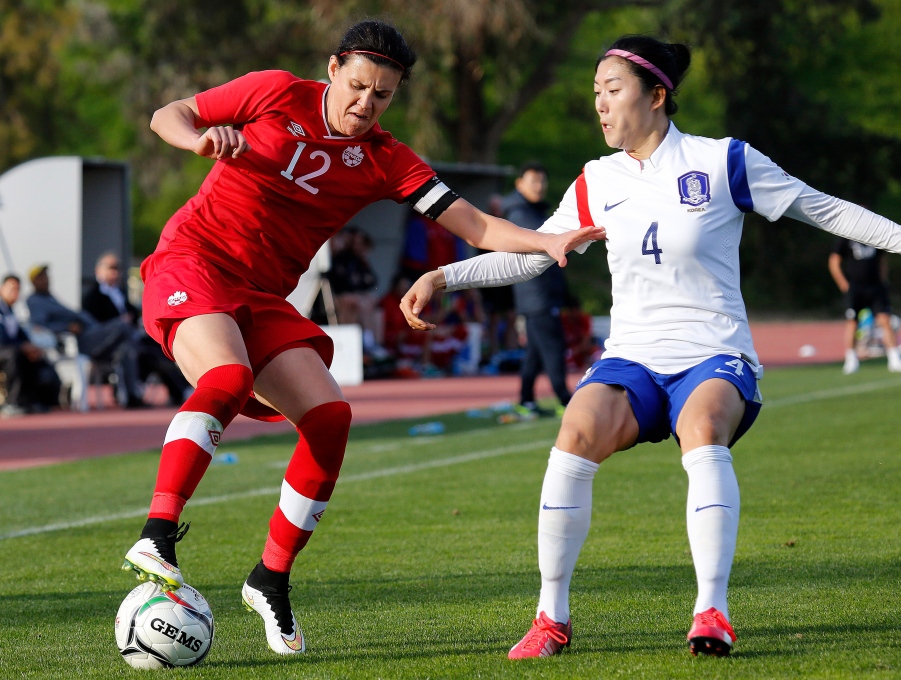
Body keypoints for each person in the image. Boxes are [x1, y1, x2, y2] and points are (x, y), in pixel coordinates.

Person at [400, 35, 901, 659]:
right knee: (574, 433)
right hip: (632, 354)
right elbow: (532, 256)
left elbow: (822, 209)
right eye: (595, 95)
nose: (601, 107)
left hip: (714, 351)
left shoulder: (724, 162)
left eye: (613, 92)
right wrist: (445, 277)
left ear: (658, 96)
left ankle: (711, 611)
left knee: (703, 427)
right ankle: (550, 618)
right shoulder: (597, 179)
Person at [122, 19, 601, 657]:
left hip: (263, 297)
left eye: (382, 95)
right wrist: (198, 138)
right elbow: (168, 113)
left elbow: (476, 225)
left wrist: (545, 240)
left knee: (330, 416)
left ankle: (270, 575)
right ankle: (157, 534)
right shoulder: (273, 93)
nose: (364, 104)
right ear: (332, 69)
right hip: (195, 261)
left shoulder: (384, 160)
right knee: (229, 379)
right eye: (357, 86)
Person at [503, 162, 572, 416]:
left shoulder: (530, 210)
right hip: (537, 294)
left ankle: (526, 400)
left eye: (542, 181)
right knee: (553, 347)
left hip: (535, 294)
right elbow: (541, 252)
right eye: (534, 181)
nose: (540, 186)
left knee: (535, 350)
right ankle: (566, 400)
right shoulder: (521, 214)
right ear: (519, 184)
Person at [26, 264, 146, 408]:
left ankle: (132, 396)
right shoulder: (34, 300)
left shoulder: (50, 297)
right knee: (122, 325)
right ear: (34, 281)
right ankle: (143, 352)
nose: (47, 279)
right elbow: (39, 325)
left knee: (127, 349)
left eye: (47, 276)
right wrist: (67, 327)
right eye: (42, 277)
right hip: (81, 341)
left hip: (91, 334)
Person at [82, 252, 191, 405]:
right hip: (108, 345)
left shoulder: (120, 292)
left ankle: (181, 390)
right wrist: (121, 322)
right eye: (111, 268)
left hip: (132, 344)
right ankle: (132, 393)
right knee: (132, 347)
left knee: (157, 349)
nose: (115, 272)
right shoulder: (91, 296)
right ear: (98, 270)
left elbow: (133, 314)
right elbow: (94, 325)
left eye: (118, 269)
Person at [828, 238, 901, 374]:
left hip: (875, 287)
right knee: (852, 322)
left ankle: (894, 358)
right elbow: (834, 261)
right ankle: (851, 359)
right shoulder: (845, 237)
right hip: (855, 288)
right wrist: (843, 284)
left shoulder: (873, 234)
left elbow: (882, 260)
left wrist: (883, 281)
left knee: (885, 320)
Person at [0, 274, 60, 415]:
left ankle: (33, 401)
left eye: (18, 290)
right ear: (1, 289)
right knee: (14, 356)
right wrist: (22, 347)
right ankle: (12, 402)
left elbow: (19, 334)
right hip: (5, 351)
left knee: (34, 357)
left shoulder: (10, 311)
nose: (15, 293)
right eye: (11, 289)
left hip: (11, 350)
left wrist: (31, 346)